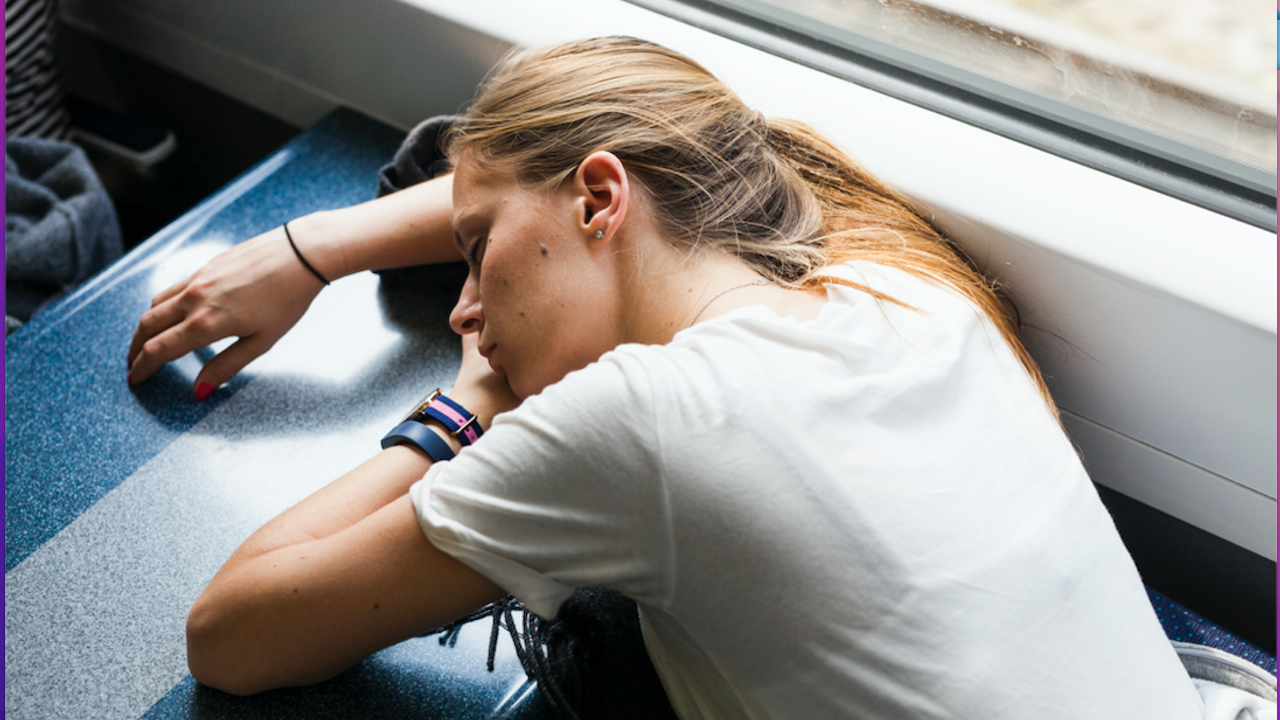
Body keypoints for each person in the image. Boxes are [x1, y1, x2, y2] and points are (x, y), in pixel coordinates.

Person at [127, 37, 1205, 719]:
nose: (463, 305)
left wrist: (468, 403)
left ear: (601, 200)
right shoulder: (902, 285)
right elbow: (664, 147)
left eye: (475, 248)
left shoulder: (639, 422)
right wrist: (316, 247)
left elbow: (231, 636)